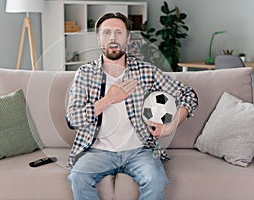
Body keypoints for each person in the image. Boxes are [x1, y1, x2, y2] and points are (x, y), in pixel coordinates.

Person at [66, 12, 198, 200]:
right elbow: (73, 119)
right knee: (78, 177)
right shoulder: (85, 74)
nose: (113, 38)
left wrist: (171, 126)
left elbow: (188, 95)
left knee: (157, 180)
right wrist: (109, 99)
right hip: (97, 151)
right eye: (107, 33)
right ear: (98, 39)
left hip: (139, 151)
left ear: (127, 39)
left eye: (119, 33)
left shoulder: (146, 71)